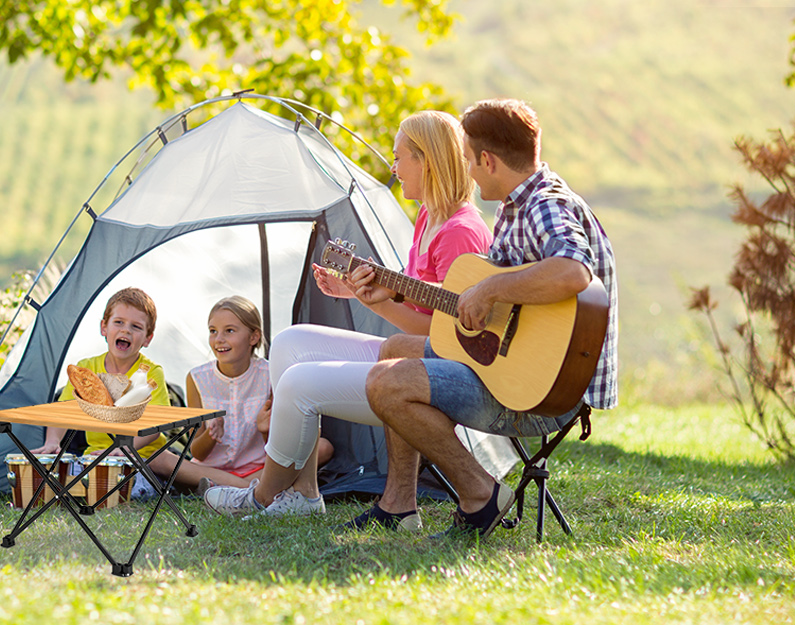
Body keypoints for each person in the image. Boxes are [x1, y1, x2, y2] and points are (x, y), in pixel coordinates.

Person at [203, 111, 490, 523]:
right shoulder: (429, 217)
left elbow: (449, 334)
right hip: (412, 355)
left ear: (425, 160)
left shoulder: (460, 230)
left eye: (399, 157)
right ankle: (303, 493)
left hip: (438, 374)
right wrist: (356, 291)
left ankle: (262, 494)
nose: (393, 168)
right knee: (289, 343)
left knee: (299, 384)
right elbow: (418, 299)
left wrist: (377, 304)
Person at [365, 98, 618, 538]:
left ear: (488, 160)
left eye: (469, 160)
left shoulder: (545, 205)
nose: (468, 171)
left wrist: (490, 289)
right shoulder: (515, 207)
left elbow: (573, 271)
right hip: (512, 365)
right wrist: (397, 292)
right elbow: (481, 305)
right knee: (394, 350)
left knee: (386, 383)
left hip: (544, 391)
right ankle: (399, 505)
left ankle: (480, 494)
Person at [147, 296, 333, 492]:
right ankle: (250, 489)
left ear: (253, 337)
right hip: (210, 469)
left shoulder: (271, 375)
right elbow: (197, 452)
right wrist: (211, 435)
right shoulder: (196, 379)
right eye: (213, 331)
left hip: (259, 468)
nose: (219, 339)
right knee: (159, 459)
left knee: (322, 447)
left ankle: (225, 487)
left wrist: (265, 431)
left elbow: (279, 450)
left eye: (229, 331)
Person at [33, 287, 169, 461]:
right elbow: (63, 412)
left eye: (136, 326)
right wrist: (52, 441)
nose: (126, 330)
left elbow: (157, 425)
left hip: (141, 457)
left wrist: (126, 448)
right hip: (95, 456)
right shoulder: (86, 368)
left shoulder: (151, 372)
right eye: (118, 322)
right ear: (104, 327)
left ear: (147, 338)